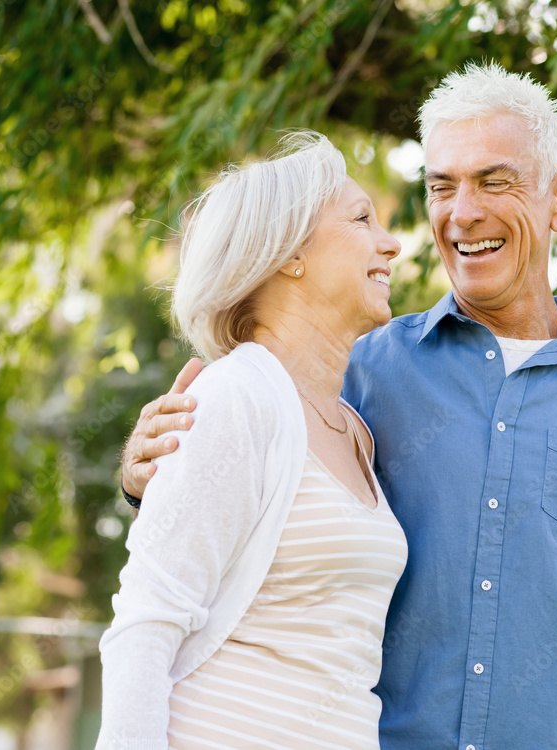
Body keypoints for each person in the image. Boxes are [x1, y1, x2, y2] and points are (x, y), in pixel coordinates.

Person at [120, 63, 557, 750]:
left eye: (495, 181)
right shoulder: (355, 370)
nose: (462, 214)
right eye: (442, 187)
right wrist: (148, 476)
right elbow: (229, 489)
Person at [97, 132, 406, 750]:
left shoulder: (355, 431)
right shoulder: (238, 398)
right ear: (290, 252)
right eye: (361, 219)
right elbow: (146, 621)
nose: (391, 242)